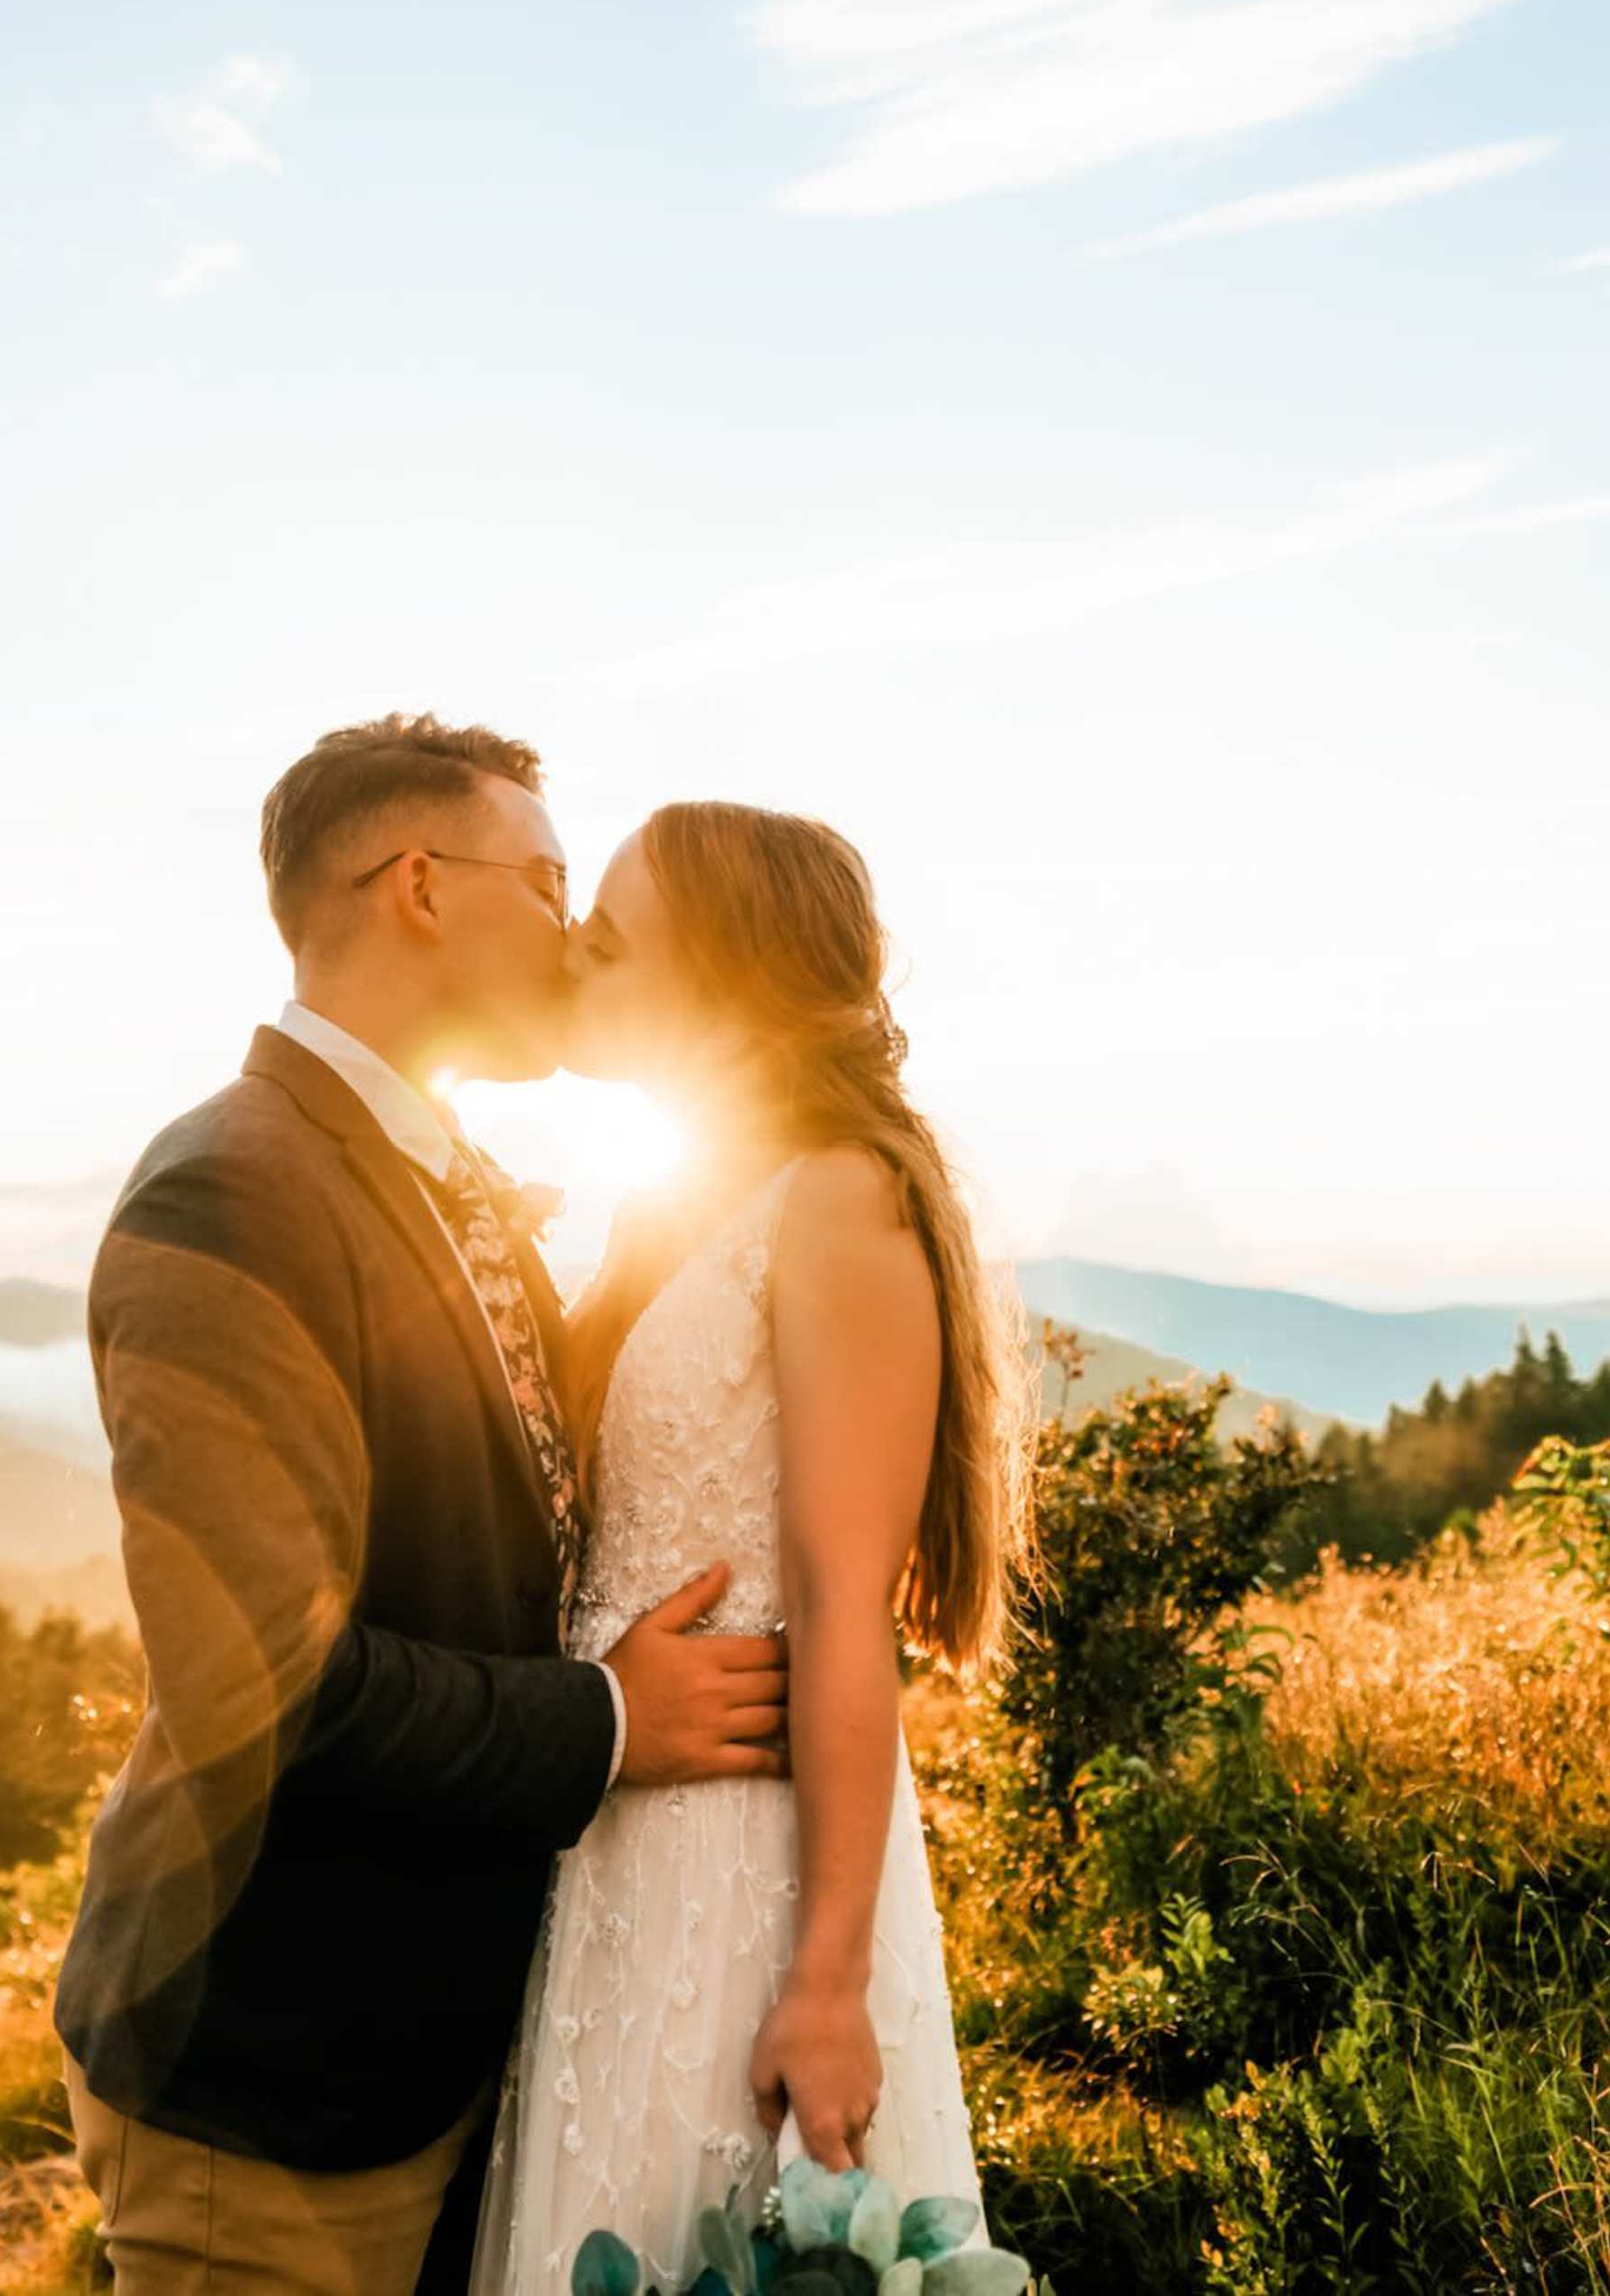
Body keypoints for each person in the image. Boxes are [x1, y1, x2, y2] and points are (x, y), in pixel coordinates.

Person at [54, 716, 795, 2296]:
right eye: (544, 879)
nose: (574, 926)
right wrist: (609, 1722)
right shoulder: (228, 1189)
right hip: (273, 2081)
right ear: (418, 886)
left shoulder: (439, 1172)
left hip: (459, 2046)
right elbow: (269, 1686)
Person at [470, 801, 1030, 2294]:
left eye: (606, 942)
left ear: (714, 974)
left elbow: (849, 1606)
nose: (571, 962)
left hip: (748, 1868)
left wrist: (830, 1977)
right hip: (620, 1840)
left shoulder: (842, 1197)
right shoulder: (669, 1198)